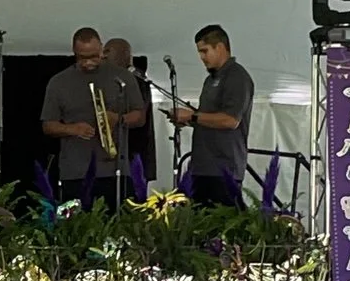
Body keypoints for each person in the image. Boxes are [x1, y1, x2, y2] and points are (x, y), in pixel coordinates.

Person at [40, 27, 145, 202]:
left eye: (94, 56)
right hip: (75, 172)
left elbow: (140, 117)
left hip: (114, 170)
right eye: (83, 57)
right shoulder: (59, 82)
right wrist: (73, 129)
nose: (89, 62)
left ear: (102, 49)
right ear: (74, 52)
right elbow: (48, 125)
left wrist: (118, 119)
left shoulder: (122, 77)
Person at [168, 24, 254, 206]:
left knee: (219, 227)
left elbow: (231, 120)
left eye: (205, 51)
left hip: (223, 168)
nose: (201, 58)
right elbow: (209, 118)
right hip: (202, 166)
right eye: (199, 52)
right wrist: (188, 119)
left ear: (220, 47)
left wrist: (192, 116)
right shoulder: (211, 80)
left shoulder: (237, 76)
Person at [104, 36, 157, 182]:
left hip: (133, 153)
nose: (103, 56)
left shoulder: (136, 79)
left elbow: (139, 114)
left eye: (107, 51)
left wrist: (116, 118)